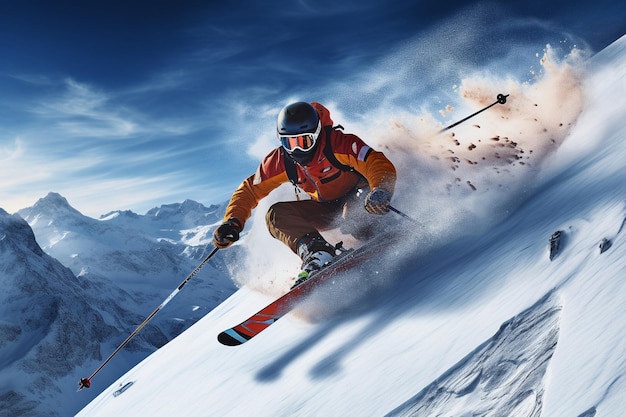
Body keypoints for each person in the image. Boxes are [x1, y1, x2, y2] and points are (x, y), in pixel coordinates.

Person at [213, 101, 397, 286]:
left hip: (360, 197)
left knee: (354, 218)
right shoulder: (280, 161)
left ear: (316, 134)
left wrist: (380, 189)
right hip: (324, 208)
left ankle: (382, 230)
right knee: (276, 215)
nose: (296, 150)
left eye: (303, 141)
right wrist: (233, 222)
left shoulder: (339, 144)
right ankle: (317, 252)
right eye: (288, 142)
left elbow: (375, 162)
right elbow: (250, 190)